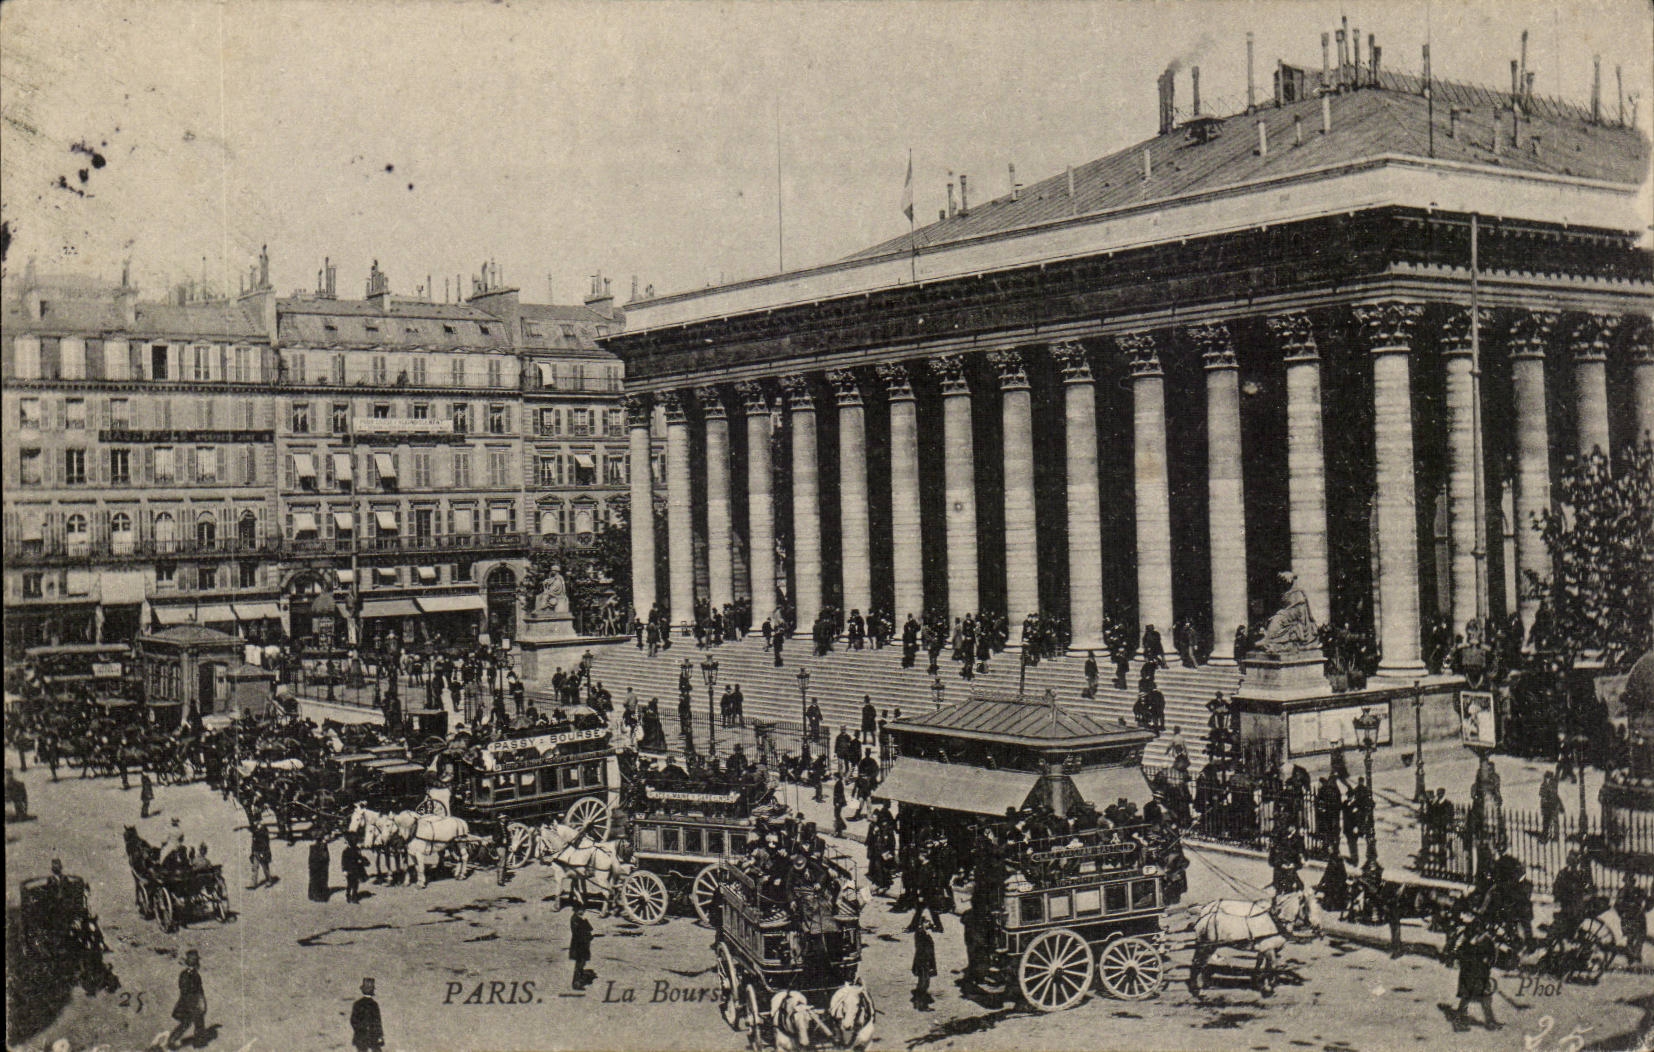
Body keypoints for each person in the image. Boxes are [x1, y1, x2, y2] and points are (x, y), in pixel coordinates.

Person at [167, 949, 207, 1049]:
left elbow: (197, 990)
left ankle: (197, 1043)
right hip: (190, 1002)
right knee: (191, 1022)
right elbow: (186, 989)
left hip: (192, 1002)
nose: (197, 964)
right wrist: (197, 1001)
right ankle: (173, 1041)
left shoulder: (192, 974)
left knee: (193, 1022)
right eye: (195, 961)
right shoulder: (187, 974)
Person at [909, 912, 936, 1010]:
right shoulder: (921, 933)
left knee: (924, 981)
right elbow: (924, 949)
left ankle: (920, 1002)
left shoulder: (922, 932)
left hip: (924, 960)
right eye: (927, 922)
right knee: (924, 982)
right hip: (924, 961)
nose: (929, 924)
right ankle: (922, 1005)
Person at [351, 977, 385, 1052]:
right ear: (373, 991)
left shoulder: (357, 1004)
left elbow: (353, 1020)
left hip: (360, 1036)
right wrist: (380, 1035)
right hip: (373, 1035)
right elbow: (377, 1022)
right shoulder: (374, 1005)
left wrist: (359, 1030)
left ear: (362, 990)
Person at [569, 905, 594, 990]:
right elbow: (583, 931)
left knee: (581, 964)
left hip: (581, 945)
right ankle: (577, 983)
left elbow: (589, 929)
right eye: (582, 910)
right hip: (579, 945)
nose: (583, 912)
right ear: (576, 910)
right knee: (579, 964)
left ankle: (578, 982)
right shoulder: (576, 920)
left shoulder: (577, 919)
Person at [342, 835, 370, 904]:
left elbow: (359, 857)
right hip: (349, 870)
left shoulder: (357, 849)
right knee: (349, 884)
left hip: (356, 869)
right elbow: (344, 862)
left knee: (356, 884)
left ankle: (354, 897)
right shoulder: (346, 851)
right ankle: (348, 895)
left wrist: (361, 860)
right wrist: (344, 870)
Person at [248, 822, 273, 889]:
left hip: (263, 852)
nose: (256, 823)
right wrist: (252, 852)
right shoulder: (255, 831)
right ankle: (253, 883)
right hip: (256, 852)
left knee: (265, 867)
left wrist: (264, 852)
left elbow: (266, 843)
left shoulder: (264, 831)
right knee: (255, 867)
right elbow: (253, 843)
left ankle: (269, 880)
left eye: (257, 822)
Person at [309, 834, 332, 902]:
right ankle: (319, 897)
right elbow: (325, 858)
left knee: (314, 880)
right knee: (320, 880)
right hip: (320, 867)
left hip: (315, 867)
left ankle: (312, 895)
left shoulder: (313, 847)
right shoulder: (321, 847)